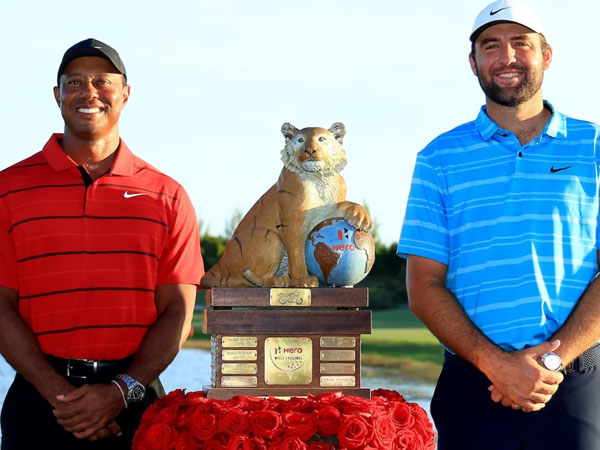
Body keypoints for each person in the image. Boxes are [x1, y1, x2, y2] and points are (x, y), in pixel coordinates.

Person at [397, 1, 600, 449]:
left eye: (520, 43)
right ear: (473, 63)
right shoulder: (438, 158)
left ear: (546, 55)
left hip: (576, 384)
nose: (506, 57)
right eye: (491, 46)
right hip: (473, 383)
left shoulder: (595, 147)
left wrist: (550, 359)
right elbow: (424, 286)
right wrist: (498, 366)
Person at [0, 38, 204, 449]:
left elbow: (178, 311)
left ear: (125, 95)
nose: (88, 92)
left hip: (134, 401)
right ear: (57, 96)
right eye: (74, 82)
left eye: (102, 81)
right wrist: (61, 396)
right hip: (39, 401)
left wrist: (119, 393)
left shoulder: (168, 196)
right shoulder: (7, 190)